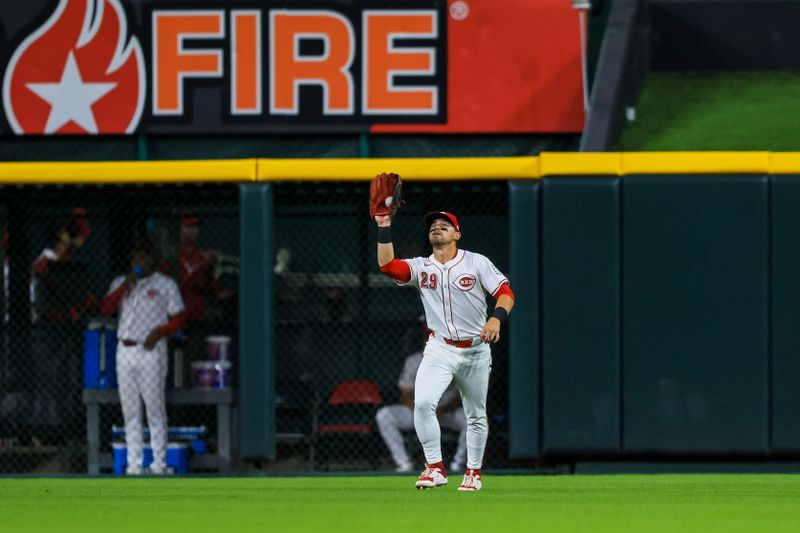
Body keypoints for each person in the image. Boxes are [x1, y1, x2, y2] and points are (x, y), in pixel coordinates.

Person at [375, 205, 515, 492]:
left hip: (475, 349)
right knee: (423, 402)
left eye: (445, 225)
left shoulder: (476, 262)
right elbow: (387, 266)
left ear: (457, 234)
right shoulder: (421, 267)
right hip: (440, 348)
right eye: (432, 226)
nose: (437, 227)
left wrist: (496, 319)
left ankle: (473, 473)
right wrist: (384, 225)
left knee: (475, 414)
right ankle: (435, 468)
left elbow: (505, 293)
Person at [100, 238, 185, 475]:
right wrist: (123, 288)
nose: (138, 262)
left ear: (152, 260)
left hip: (151, 349)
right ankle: (134, 465)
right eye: (135, 258)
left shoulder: (165, 284)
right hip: (124, 349)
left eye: (143, 258)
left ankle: (159, 464)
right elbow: (105, 308)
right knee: (130, 411)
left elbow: (179, 317)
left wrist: (160, 332)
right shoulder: (121, 282)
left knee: (154, 408)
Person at [376, 347, 467, 473]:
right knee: (384, 415)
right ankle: (404, 464)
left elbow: (461, 395)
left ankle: (458, 465)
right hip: (418, 411)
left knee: (474, 420)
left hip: (446, 412)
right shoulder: (414, 360)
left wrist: (444, 409)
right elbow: (405, 395)